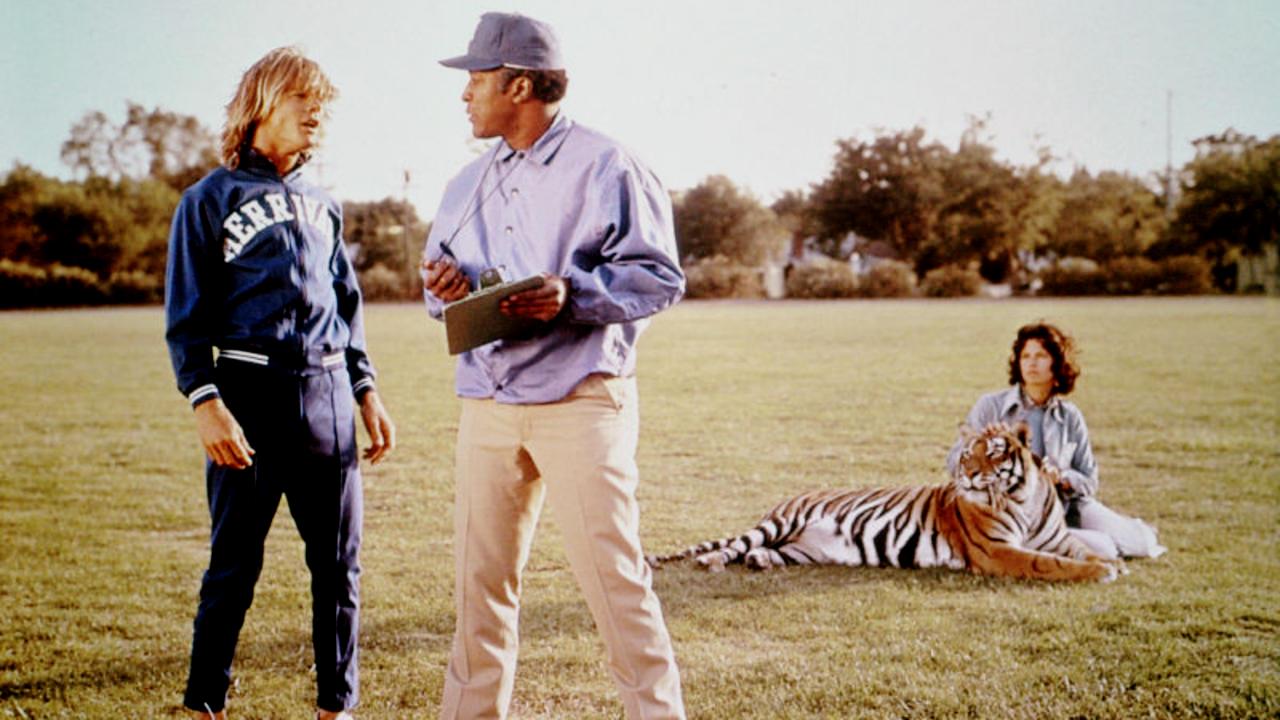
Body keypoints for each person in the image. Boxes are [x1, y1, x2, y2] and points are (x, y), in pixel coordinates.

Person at [420, 12, 687, 719]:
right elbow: (435, 288)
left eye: (477, 78)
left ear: (522, 84)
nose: (465, 93)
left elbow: (659, 278)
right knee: (479, 594)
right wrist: (443, 289)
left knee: (614, 584)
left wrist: (572, 296)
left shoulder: (608, 164)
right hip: (486, 402)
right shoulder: (462, 184)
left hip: (580, 401)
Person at [164, 46, 395, 720]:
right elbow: (186, 315)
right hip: (248, 396)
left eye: (323, 105)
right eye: (302, 99)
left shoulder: (325, 205)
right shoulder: (208, 201)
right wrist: (204, 399)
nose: (315, 114)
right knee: (233, 568)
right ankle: (205, 702)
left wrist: (366, 388)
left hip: (327, 402)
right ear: (261, 102)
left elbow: (345, 307)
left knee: (338, 568)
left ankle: (336, 707)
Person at [946, 321, 1165, 559]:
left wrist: (1062, 477)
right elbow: (953, 464)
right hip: (1012, 513)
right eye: (1025, 356)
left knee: (1141, 544)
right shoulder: (990, 406)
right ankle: (1044, 540)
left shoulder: (1070, 416)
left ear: (1057, 363)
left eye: (1040, 356)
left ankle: (1080, 535)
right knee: (1105, 549)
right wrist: (984, 445)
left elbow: (1090, 481)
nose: (1031, 362)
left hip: (1068, 506)